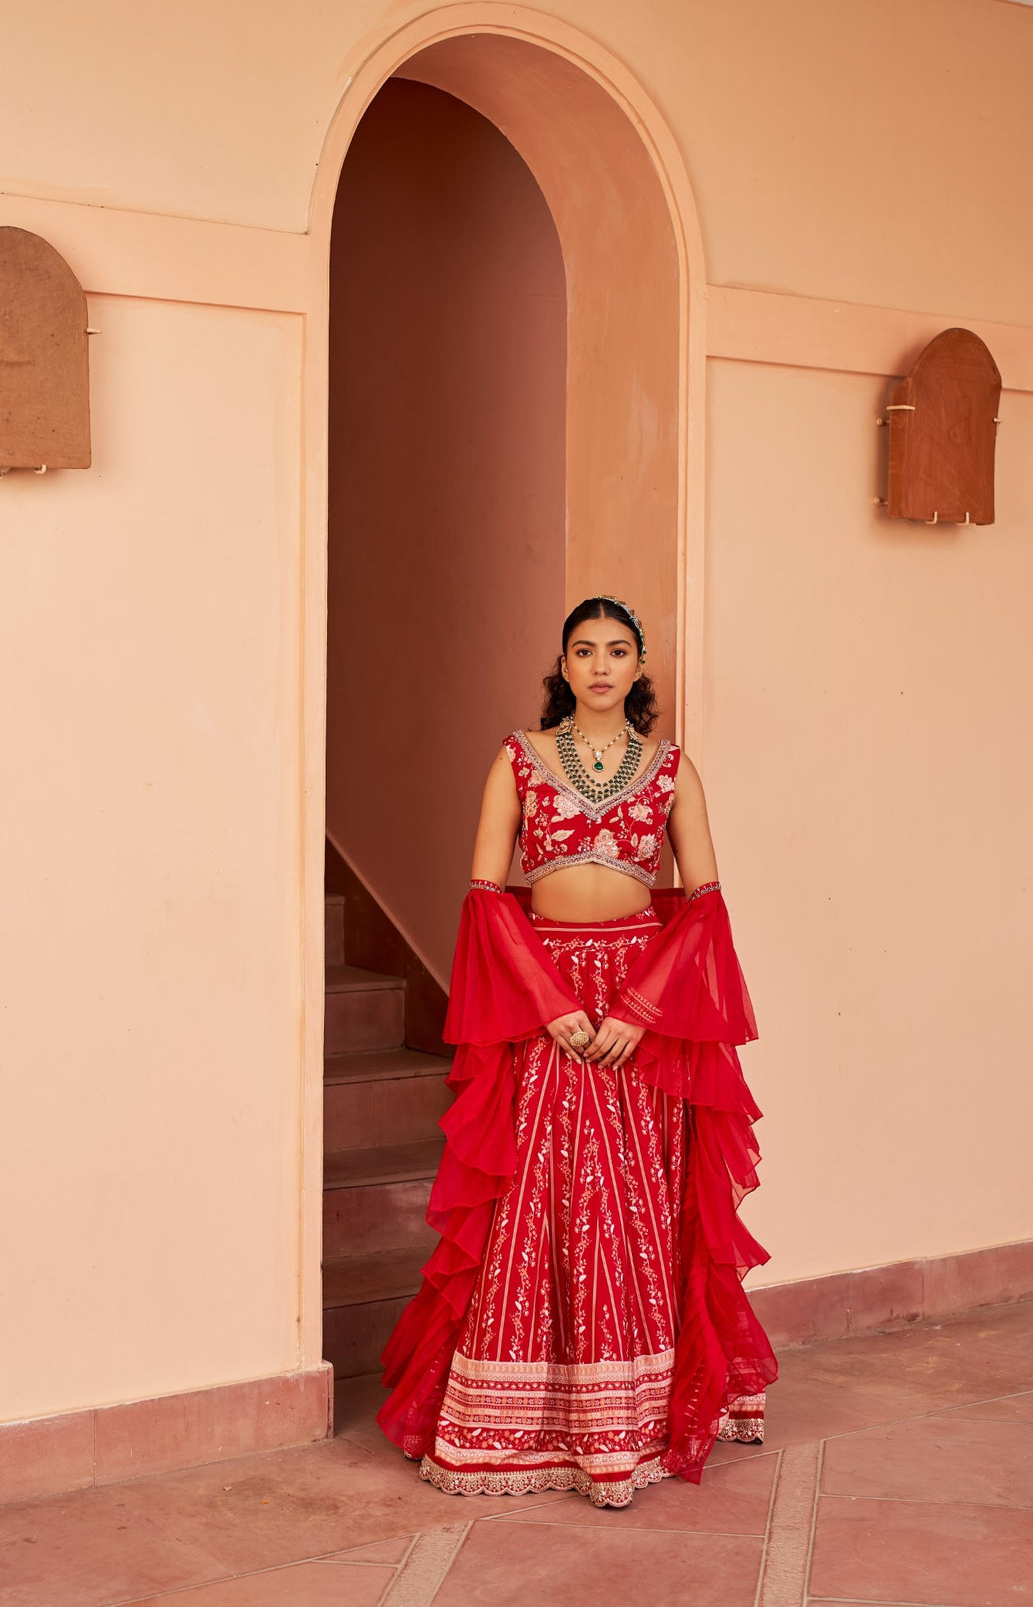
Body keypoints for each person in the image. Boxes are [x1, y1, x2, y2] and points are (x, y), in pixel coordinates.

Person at [377, 596, 777, 1507]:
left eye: (619, 651)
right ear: (564, 665)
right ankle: (524, 1418)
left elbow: (704, 900)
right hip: (544, 1001)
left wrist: (643, 1006)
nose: (601, 665)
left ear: (640, 668)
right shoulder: (520, 758)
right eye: (584, 650)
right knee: (541, 1198)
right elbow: (486, 892)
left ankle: (630, 1420)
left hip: (644, 1011)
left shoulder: (674, 770)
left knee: (636, 1201)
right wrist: (546, 1001)